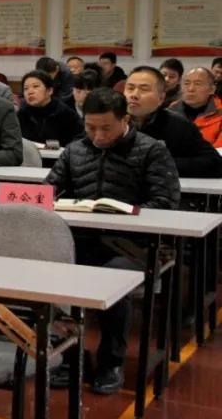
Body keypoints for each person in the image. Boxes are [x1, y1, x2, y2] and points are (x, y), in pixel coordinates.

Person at [46, 88, 180, 395]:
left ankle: (112, 361)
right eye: (90, 127)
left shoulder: (151, 150)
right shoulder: (75, 150)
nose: (97, 135)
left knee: (113, 281)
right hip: (82, 239)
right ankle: (69, 355)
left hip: (133, 245)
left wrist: (126, 213)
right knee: (50, 270)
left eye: (106, 127)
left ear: (125, 119)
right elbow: (48, 191)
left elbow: (167, 202)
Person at [123, 66, 222, 178]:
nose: (134, 95)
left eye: (144, 89)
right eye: (130, 88)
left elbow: (215, 164)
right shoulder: (112, 121)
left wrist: (160, 164)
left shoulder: (178, 125)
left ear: (161, 98)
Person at [17, 70, 83, 147]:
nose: (30, 92)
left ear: (50, 90)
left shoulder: (65, 113)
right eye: (26, 88)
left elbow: (79, 138)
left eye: (35, 86)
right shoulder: (21, 114)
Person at [174, 67, 222, 148]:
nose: (190, 89)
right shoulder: (171, 110)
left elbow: (218, 154)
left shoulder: (219, 112)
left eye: (197, 84)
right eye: (186, 83)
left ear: (212, 89)